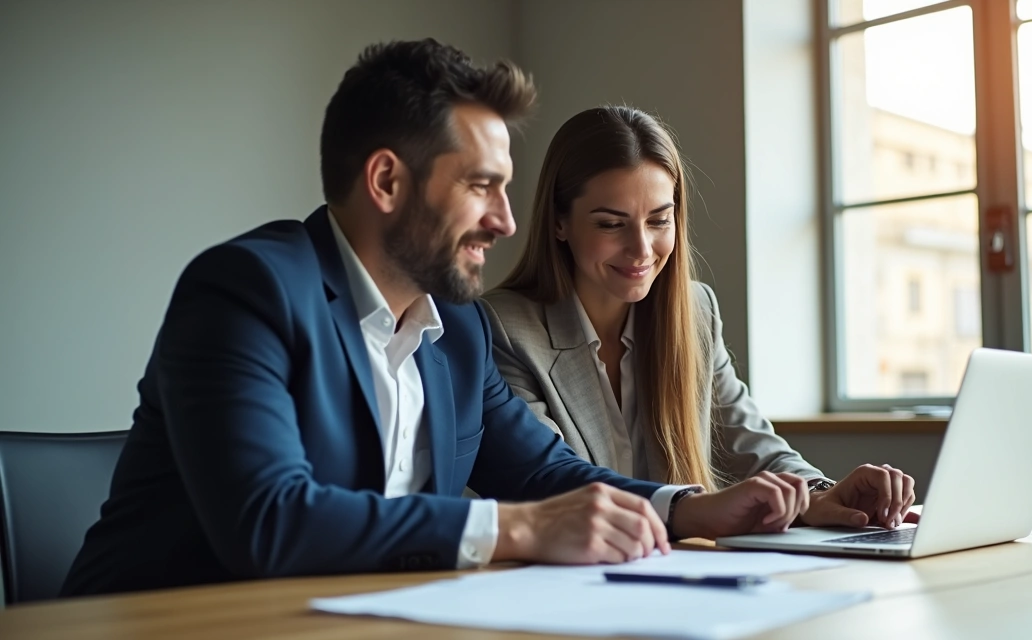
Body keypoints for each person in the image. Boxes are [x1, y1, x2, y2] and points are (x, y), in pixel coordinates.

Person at [62, 42, 820, 597]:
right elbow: (270, 520)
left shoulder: (454, 330)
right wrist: (518, 530)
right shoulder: (246, 290)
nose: (505, 220)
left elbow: (544, 473)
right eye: (482, 187)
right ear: (388, 179)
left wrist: (691, 506)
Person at [482, 106, 919, 533]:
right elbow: (552, 480)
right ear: (560, 223)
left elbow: (750, 442)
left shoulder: (696, 312)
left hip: (677, 574)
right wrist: (692, 510)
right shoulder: (504, 327)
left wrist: (820, 491)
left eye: (659, 220)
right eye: (612, 225)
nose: (641, 248)